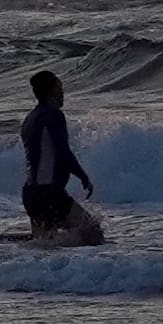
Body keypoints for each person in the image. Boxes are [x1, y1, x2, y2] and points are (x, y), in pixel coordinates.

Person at [16, 68, 107, 245]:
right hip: (49, 194)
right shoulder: (53, 114)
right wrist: (83, 176)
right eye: (60, 87)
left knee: (45, 245)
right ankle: (74, 270)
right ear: (53, 90)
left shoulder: (29, 118)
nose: (63, 92)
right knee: (93, 232)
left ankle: (45, 269)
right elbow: (62, 151)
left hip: (30, 194)